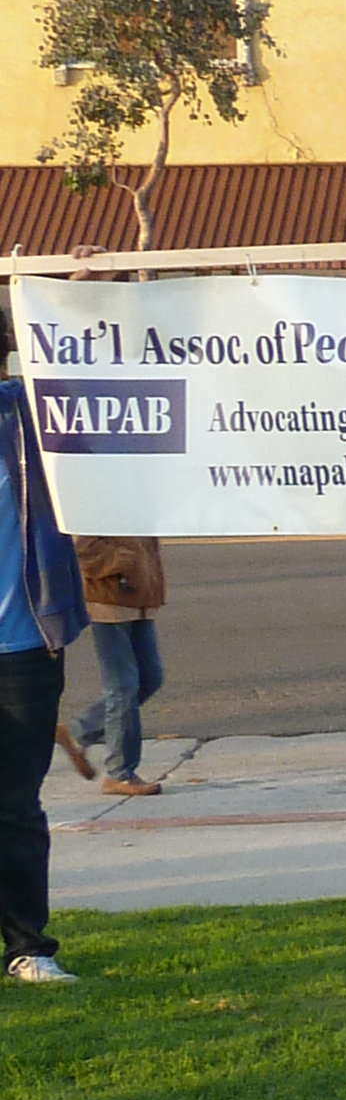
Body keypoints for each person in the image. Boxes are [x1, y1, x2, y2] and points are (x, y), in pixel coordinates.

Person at [0, 378, 92, 985]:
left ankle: (29, 947)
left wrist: (83, 309)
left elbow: (91, 390)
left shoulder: (29, 413)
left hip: (25, 647)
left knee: (13, 804)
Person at [66, 536, 165, 796]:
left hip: (139, 595)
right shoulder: (99, 498)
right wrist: (128, 562)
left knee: (150, 678)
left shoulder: (134, 499)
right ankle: (119, 774)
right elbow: (83, 545)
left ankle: (79, 731)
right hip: (108, 597)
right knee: (123, 686)